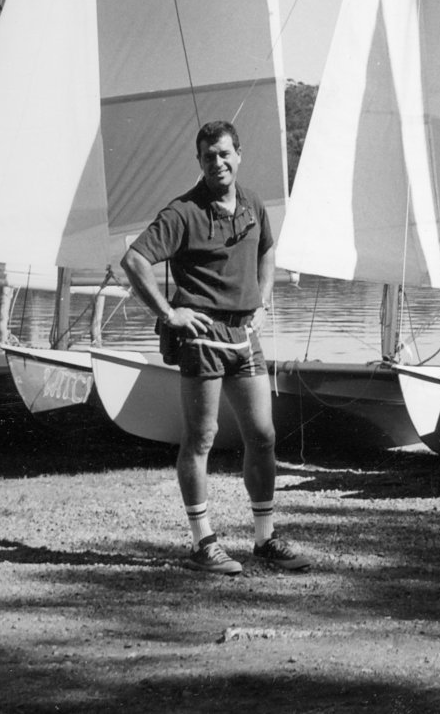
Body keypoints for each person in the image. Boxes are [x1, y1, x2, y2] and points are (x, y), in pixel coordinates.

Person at [121, 119, 309, 576]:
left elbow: (267, 246)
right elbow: (134, 259)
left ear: (239, 155)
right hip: (201, 339)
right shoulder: (183, 212)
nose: (217, 163)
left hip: (245, 337)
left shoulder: (252, 204)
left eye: (225, 154)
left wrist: (263, 297)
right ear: (200, 161)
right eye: (208, 156)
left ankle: (264, 540)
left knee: (262, 436)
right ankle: (203, 543)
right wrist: (169, 313)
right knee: (201, 438)